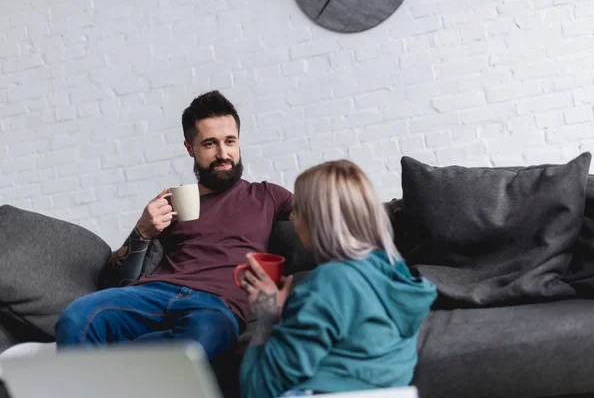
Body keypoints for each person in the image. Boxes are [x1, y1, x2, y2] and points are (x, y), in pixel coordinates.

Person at [55, 91, 293, 362]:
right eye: (209, 144)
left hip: (216, 305)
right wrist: (142, 231)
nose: (223, 153)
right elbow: (114, 281)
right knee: (77, 317)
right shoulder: (172, 202)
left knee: (200, 338)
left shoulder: (267, 196)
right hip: (154, 293)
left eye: (230, 141)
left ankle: (115, 370)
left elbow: (318, 216)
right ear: (190, 148)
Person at [238, 160, 437, 397]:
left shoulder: (329, 282)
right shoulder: (393, 273)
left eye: (298, 209)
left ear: (318, 219)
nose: (293, 218)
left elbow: (259, 390)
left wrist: (266, 317)